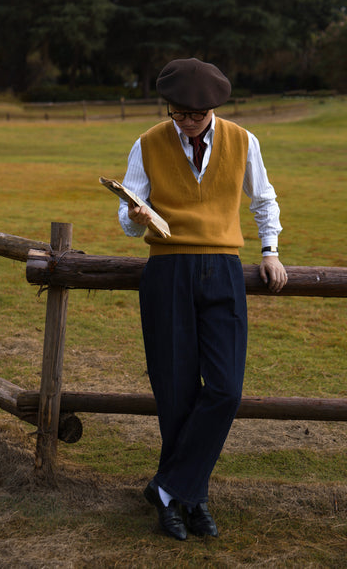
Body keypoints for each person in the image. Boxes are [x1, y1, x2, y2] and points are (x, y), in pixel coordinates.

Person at [118, 57, 288, 541]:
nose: (188, 122)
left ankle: (168, 488)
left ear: (213, 107)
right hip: (167, 270)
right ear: (169, 107)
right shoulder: (148, 143)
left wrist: (270, 251)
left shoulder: (243, 140)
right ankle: (188, 501)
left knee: (226, 389)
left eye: (198, 114)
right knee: (174, 392)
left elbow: (265, 199)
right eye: (179, 113)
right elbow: (128, 220)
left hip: (225, 270)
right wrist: (135, 216)